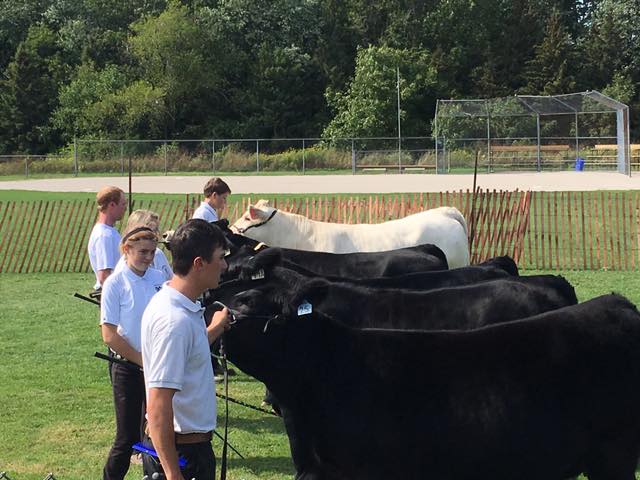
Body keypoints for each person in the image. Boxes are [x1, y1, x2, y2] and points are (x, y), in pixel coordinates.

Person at [141, 219, 231, 480]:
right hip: (183, 456)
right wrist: (172, 473)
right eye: (220, 257)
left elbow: (187, 354)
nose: (224, 265)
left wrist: (214, 329)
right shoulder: (174, 321)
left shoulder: (180, 307)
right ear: (199, 264)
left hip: (192, 450)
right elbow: (158, 404)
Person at [100, 225, 165, 480]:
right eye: (143, 252)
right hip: (128, 367)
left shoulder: (158, 278)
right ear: (127, 250)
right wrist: (140, 360)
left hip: (158, 366)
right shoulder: (115, 283)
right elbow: (109, 335)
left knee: (159, 431)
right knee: (127, 437)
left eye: (152, 252)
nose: (149, 258)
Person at [114, 210, 173, 281]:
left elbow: (171, 280)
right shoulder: (123, 270)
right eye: (150, 231)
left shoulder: (158, 253)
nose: (156, 235)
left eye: (156, 230)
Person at [88, 186, 127, 289]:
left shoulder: (109, 231)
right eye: (123, 204)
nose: (125, 208)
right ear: (112, 205)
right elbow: (104, 276)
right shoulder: (104, 235)